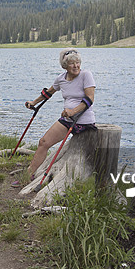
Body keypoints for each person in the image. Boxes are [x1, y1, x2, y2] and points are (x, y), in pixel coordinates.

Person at [13, 48, 96, 187]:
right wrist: (34, 102)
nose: (76, 66)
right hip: (68, 119)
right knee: (43, 142)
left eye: (77, 62)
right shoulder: (61, 79)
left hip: (83, 120)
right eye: (71, 63)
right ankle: (28, 176)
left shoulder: (86, 75)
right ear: (65, 66)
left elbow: (90, 99)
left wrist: (72, 111)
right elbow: (48, 93)